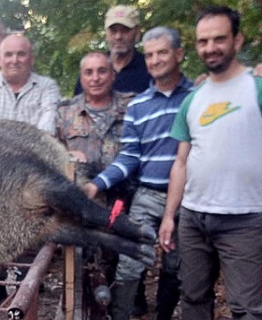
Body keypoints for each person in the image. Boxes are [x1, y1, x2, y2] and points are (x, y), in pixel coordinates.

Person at [158, 6, 262, 320]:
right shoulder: (193, 98)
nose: (211, 47)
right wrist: (169, 216)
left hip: (243, 219)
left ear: (238, 40)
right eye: (203, 41)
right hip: (193, 218)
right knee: (193, 298)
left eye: (219, 39)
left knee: (245, 308)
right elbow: (181, 161)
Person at [82, 26, 191, 320]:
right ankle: (120, 315)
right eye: (151, 54)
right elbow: (129, 156)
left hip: (190, 197)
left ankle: (164, 315)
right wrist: (96, 184)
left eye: (163, 53)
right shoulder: (138, 105)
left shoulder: (197, 97)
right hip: (148, 195)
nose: (155, 60)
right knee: (130, 262)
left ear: (179, 54)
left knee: (175, 266)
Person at [56, 51, 136, 318]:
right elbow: (51, 153)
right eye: (89, 72)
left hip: (122, 205)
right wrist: (66, 157)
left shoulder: (132, 107)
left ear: (113, 75)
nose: (95, 78)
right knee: (80, 275)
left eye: (102, 71)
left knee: (119, 272)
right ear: (81, 77)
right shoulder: (65, 112)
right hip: (81, 210)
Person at [0, 34, 61, 135]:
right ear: (0, 60)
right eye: (8, 55)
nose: (14, 60)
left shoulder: (47, 87)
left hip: (35, 150)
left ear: (32, 59)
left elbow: (47, 131)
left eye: (21, 54)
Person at [74, 5, 151, 96]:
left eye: (125, 30)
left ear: (137, 32)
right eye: (113, 31)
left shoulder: (150, 68)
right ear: (106, 33)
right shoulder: (91, 71)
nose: (118, 36)